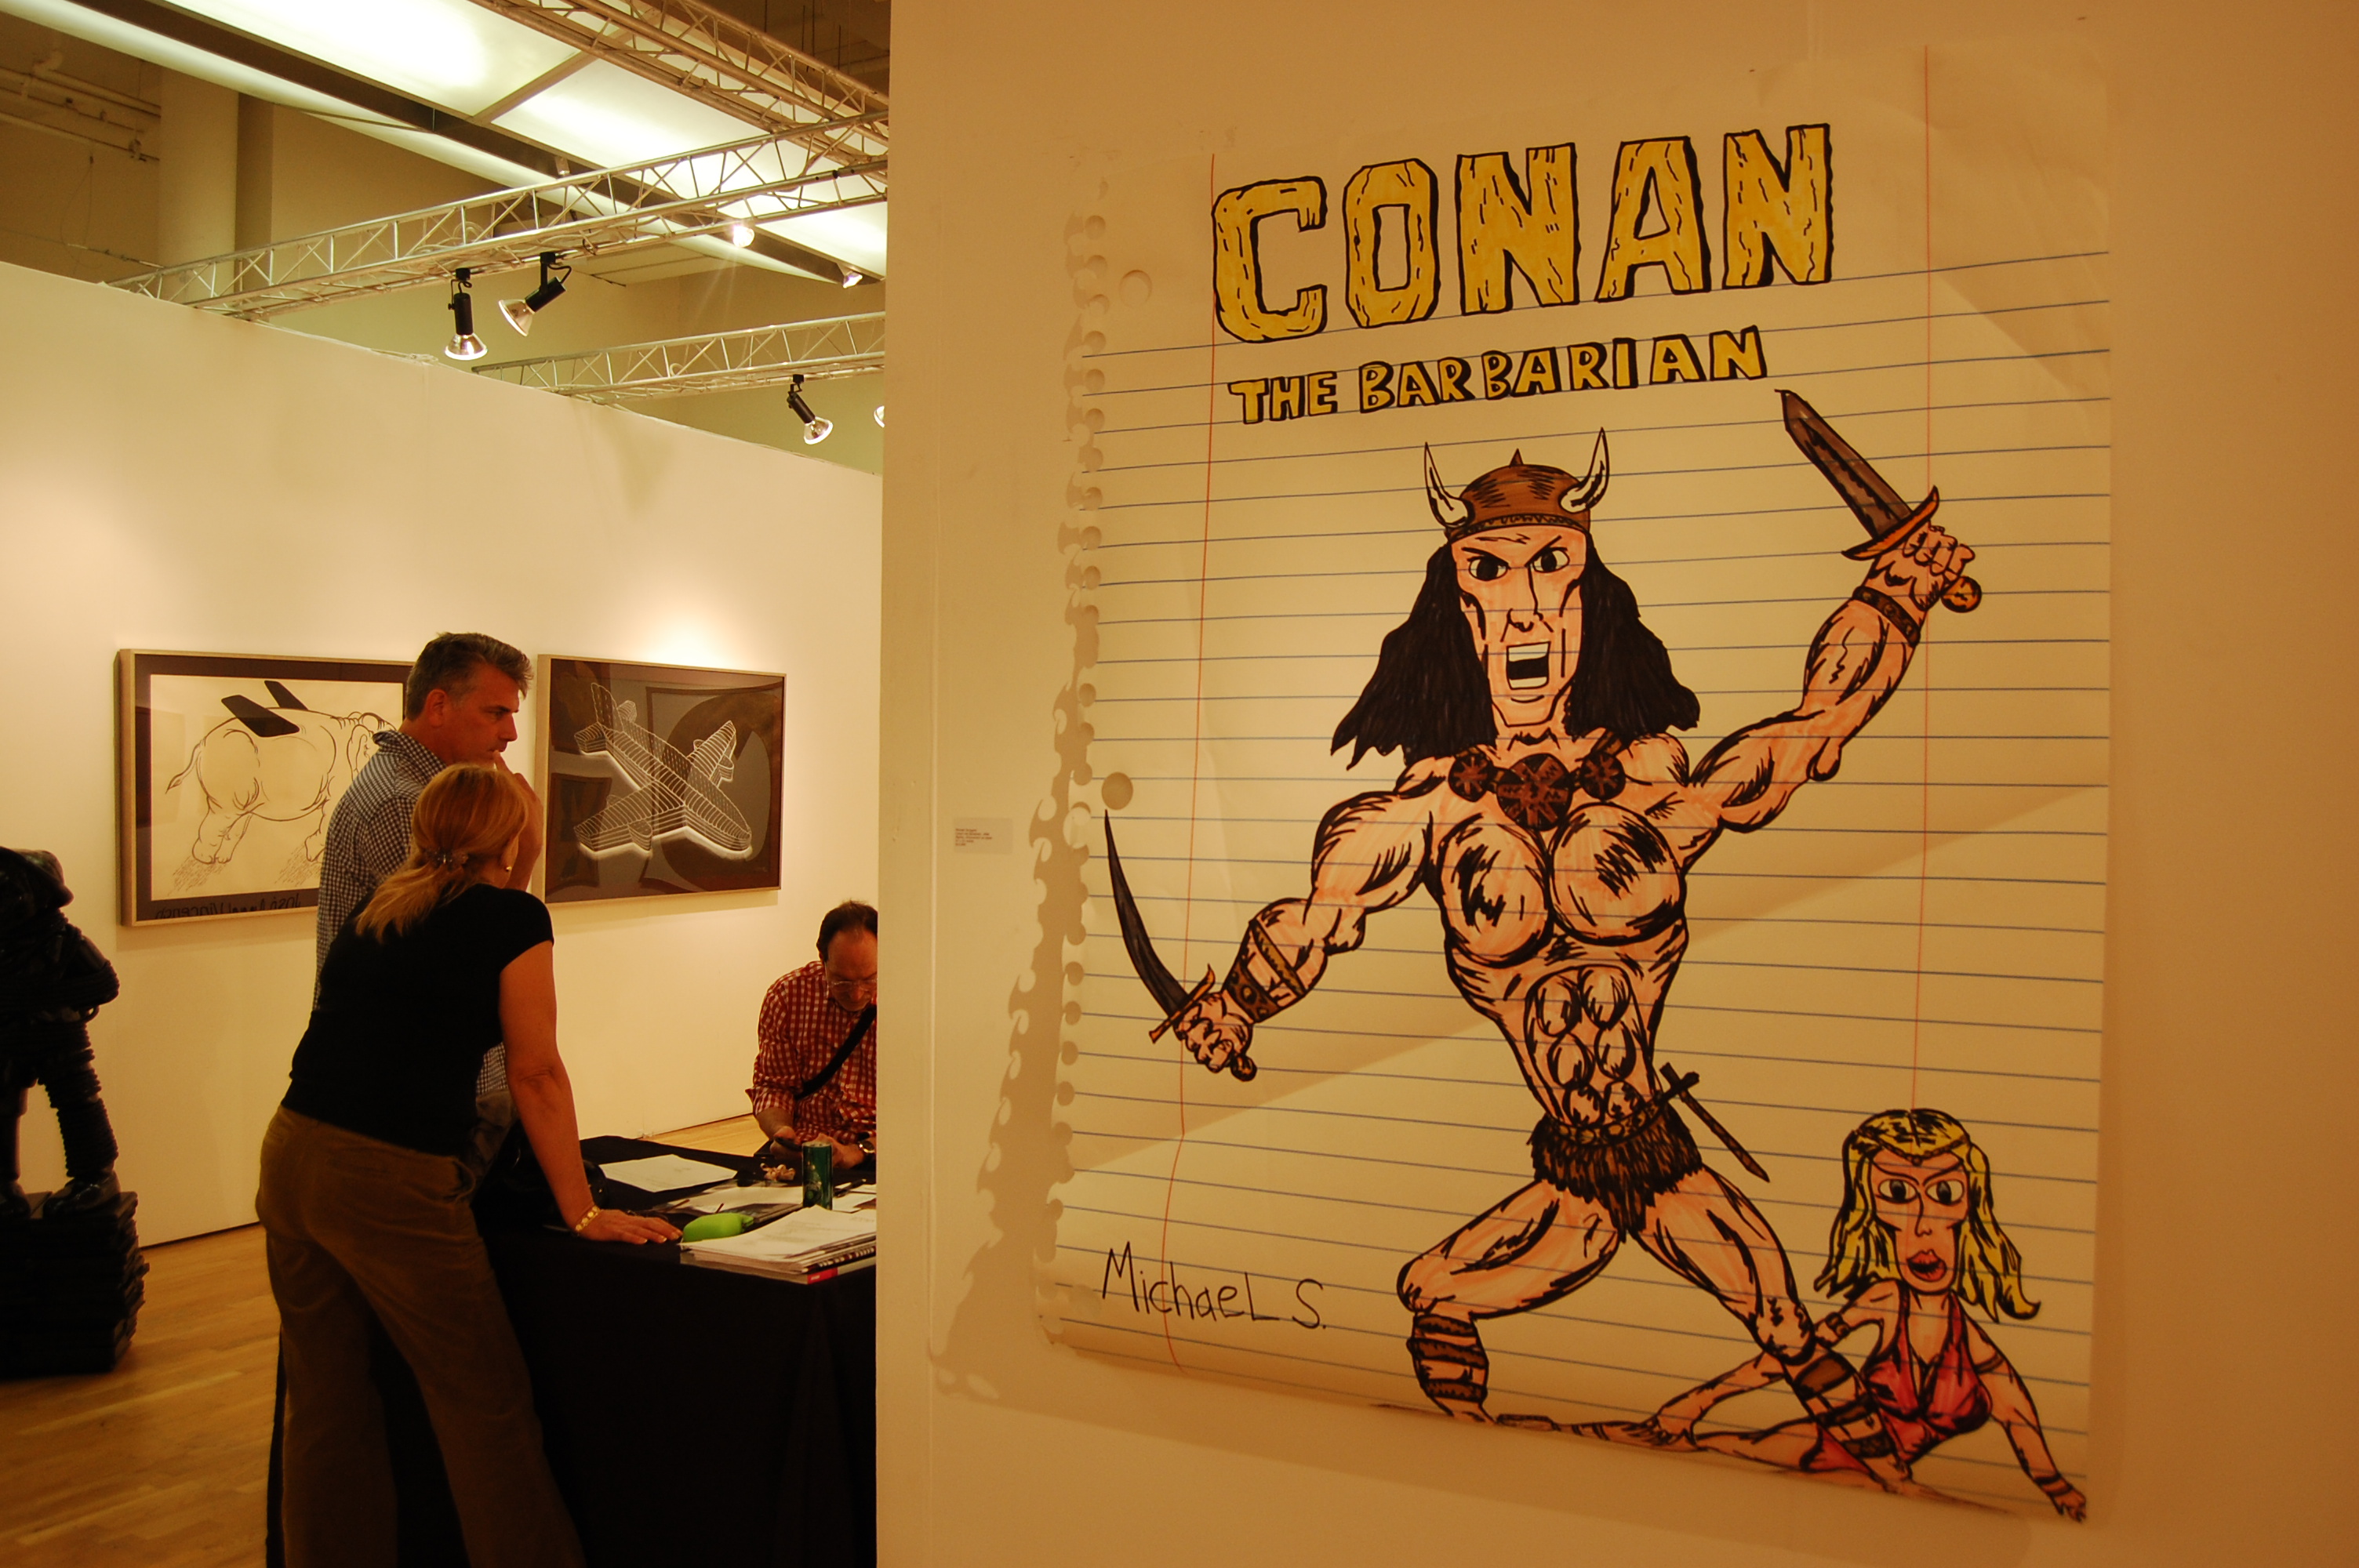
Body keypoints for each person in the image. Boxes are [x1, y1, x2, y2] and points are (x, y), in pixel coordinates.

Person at [1153, 434, 1973, 1494]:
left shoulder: (1651, 783)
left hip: (1657, 1158)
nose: (1526, 609)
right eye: (1489, 573)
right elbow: (1316, 918)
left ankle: (1899, 1494)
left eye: (1553, 567)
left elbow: (1810, 731)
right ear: (1456, 609)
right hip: (1575, 1176)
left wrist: (1897, 594)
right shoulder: (1421, 813)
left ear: (1591, 601)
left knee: (1783, 1325)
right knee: (1433, 1292)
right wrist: (1235, 1005)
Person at [259, 764, 676, 1568]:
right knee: (483, 1403)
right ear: (510, 837)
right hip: (387, 1178)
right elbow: (536, 1072)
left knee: (326, 1401)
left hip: (292, 1152)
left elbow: (448, 966)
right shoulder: (510, 918)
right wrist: (584, 1210)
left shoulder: (382, 909)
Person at [1588, 1109, 2087, 1519]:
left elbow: (2018, 1417)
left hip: (1873, 1470)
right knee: (1691, 1445)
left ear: (1969, 1201)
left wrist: (2057, 1488)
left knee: (1751, 1467)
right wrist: (1699, 1400)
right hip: (1820, 1441)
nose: (1921, 1226)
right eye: (1897, 1194)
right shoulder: (1885, 1301)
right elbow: (1794, 1354)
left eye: (1943, 1194)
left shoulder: (1973, 1344)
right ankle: (1568, 1428)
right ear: (1872, 1207)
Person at [315, 632, 540, 1172]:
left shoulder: (425, 796)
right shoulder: (406, 803)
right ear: (438, 705)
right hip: (411, 1099)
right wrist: (527, 851)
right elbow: (468, 954)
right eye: (496, 713)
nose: (510, 733)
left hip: (415, 1085)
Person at [0, 848, 121, 1220]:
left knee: (77, 1102)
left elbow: (104, 983)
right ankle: (4, 1184)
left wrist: (43, 996)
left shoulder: (64, 941)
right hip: (9, 1038)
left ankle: (96, 1177)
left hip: (60, 1041)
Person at [748, 901, 878, 1177]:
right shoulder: (788, 996)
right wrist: (781, 1131)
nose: (857, 994)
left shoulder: (916, 1002)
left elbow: (925, 1114)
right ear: (822, 958)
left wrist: (859, 1152)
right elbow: (773, 1086)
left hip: (880, 1154)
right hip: (804, 1148)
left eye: (869, 979)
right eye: (842, 981)